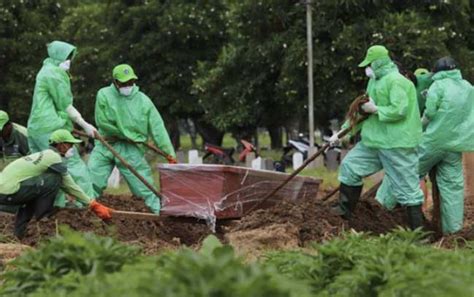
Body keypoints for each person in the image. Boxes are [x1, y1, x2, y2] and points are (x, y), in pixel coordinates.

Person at [330, 45, 425, 229]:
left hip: (397, 143)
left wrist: (376, 109)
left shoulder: (397, 81)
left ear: (379, 62)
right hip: (374, 141)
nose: (367, 69)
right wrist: (341, 133)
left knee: (407, 189)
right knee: (350, 167)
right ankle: (344, 213)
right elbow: (362, 111)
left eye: (370, 64)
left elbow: (400, 110)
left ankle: (418, 233)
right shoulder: (373, 82)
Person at [88, 64, 176, 214]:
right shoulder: (103, 95)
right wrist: (127, 134)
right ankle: (80, 211)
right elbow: (102, 121)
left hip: (130, 149)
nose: (127, 85)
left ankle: (160, 216)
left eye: (130, 82)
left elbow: (158, 128)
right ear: (115, 82)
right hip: (106, 144)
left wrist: (169, 153)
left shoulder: (144, 101)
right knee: (91, 180)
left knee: (145, 189)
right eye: (123, 83)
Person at [0, 129, 112, 238]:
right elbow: (69, 185)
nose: (72, 149)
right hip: (10, 190)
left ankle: (19, 233)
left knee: (32, 197)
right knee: (54, 179)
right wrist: (92, 204)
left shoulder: (45, 155)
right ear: (62, 145)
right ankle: (43, 220)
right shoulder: (53, 157)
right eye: (70, 145)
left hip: (6, 190)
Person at [27, 40, 96, 206]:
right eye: (67, 57)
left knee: (45, 168)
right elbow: (65, 104)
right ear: (58, 56)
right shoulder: (54, 74)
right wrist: (84, 124)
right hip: (51, 128)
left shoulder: (45, 70)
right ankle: (87, 205)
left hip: (35, 129)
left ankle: (53, 207)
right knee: (72, 165)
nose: (69, 61)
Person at [417, 57, 474, 234]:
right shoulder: (468, 87)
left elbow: (430, 112)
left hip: (434, 140)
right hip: (456, 144)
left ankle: (384, 211)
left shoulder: (438, 85)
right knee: (453, 189)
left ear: (438, 72)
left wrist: (419, 127)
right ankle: (453, 233)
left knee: (408, 171)